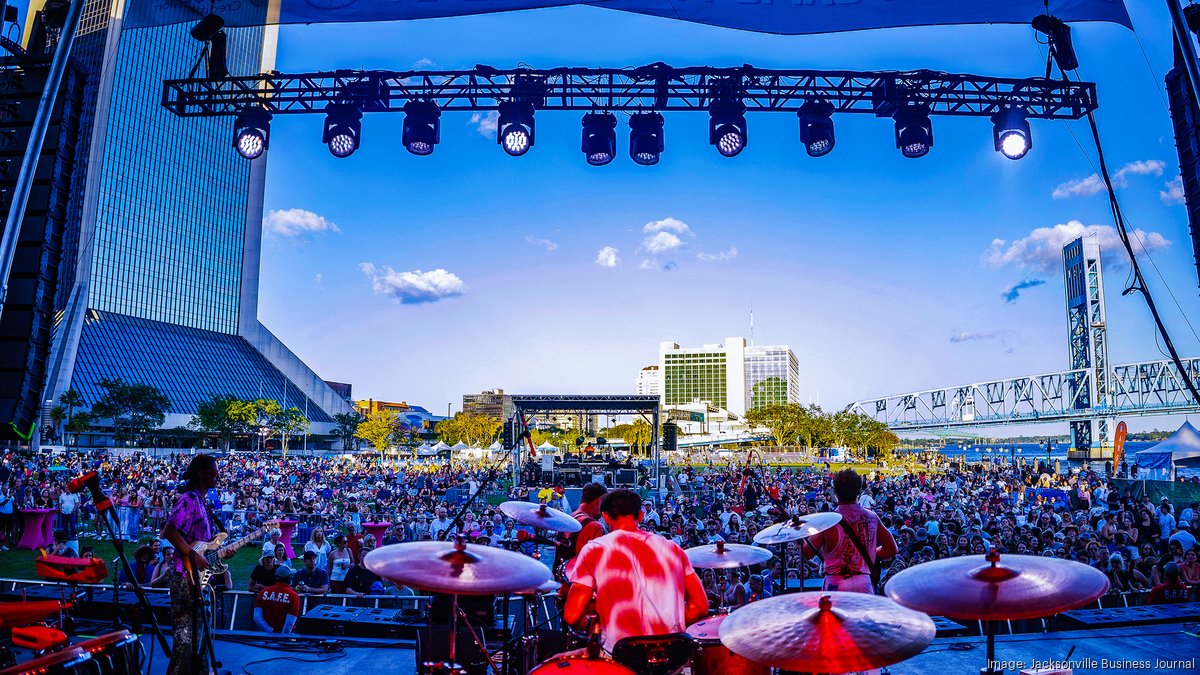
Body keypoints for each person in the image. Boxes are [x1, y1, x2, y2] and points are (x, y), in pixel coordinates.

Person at [564, 489, 708, 654]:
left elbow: (571, 616)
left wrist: (597, 625)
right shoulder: (673, 549)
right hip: (669, 656)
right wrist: (671, 626)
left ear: (605, 516)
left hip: (619, 657)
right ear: (640, 516)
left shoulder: (594, 550)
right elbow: (700, 606)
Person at [160, 454, 230, 675]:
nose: (217, 476)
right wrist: (191, 554)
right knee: (185, 641)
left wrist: (219, 554)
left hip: (199, 580)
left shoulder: (202, 502)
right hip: (184, 577)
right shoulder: (188, 499)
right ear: (200, 473)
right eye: (213, 472)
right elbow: (169, 531)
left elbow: (204, 546)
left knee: (200, 641)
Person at [809, 469, 898, 594]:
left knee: (835, 614)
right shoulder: (872, 518)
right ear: (859, 491)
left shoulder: (827, 521)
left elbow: (806, 553)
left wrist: (797, 534)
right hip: (863, 582)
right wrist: (868, 554)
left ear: (835, 492)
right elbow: (891, 549)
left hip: (835, 582)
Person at [554, 482, 607, 582]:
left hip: (561, 584)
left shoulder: (567, 519)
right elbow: (599, 567)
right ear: (598, 500)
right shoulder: (595, 526)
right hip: (581, 584)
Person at [253, 565, 301, 634]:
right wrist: (281, 638)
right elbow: (289, 623)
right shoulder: (293, 596)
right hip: (285, 637)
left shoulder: (263, 592)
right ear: (289, 578)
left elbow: (257, 617)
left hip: (266, 635)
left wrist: (270, 632)